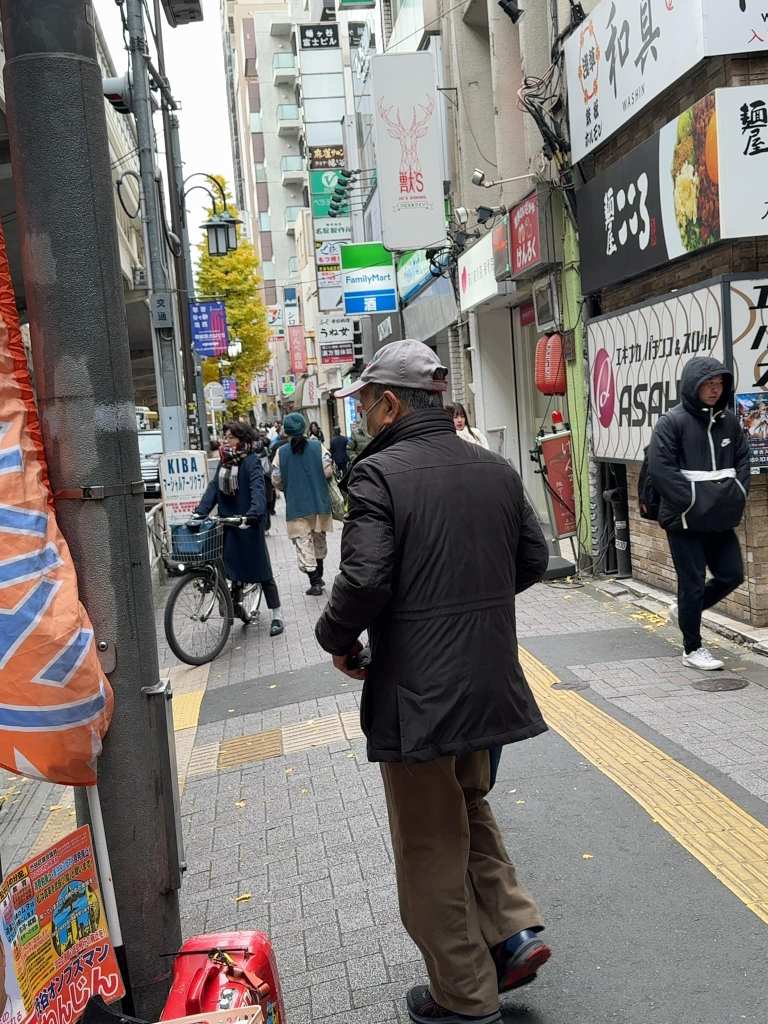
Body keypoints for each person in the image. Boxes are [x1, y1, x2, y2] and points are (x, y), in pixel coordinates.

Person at [315, 339, 551, 1024]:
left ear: (391, 404)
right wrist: (472, 608)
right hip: (488, 680)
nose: (362, 416)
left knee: (428, 843)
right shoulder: (493, 468)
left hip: (418, 695)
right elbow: (533, 557)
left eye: (365, 403)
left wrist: (335, 639)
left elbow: (365, 580)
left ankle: (465, 997)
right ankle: (513, 932)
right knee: (468, 803)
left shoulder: (377, 475)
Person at [648, 357, 749, 671]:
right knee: (692, 583)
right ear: (693, 385)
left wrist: (737, 494)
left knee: (732, 574)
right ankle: (692, 648)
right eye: (708, 384)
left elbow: (743, 460)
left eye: (719, 384)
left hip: (719, 517)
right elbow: (661, 470)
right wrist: (694, 501)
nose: (714, 389)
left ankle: (685, 611)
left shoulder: (729, 422)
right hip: (684, 519)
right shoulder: (671, 422)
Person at [195, 421, 284, 637]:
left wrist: (254, 513)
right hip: (229, 521)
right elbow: (214, 489)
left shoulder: (251, 461)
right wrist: (199, 512)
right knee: (230, 566)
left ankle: (277, 615)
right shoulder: (224, 461)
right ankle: (235, 602)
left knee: (262, 571)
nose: (226, 441)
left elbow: (257, 489)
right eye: (225, 437)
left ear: (242, 440)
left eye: (231, 437)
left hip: (248, 522)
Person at [272, 412, 334, 596]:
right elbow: (328, 471)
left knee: (303, 543)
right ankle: (319, 577)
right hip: (318, 502)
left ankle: (315, 582)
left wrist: (287, 486)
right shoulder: (317, 446)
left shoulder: (281, 452)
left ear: (286, 431)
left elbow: (276, 479)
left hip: (296, 505)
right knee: (318, 540)